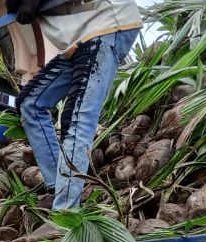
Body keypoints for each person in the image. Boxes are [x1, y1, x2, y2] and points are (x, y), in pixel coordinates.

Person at [10, 0, 142, 210]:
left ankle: (65, 211)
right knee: (30, 103)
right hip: (78, 40)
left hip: (105, 23)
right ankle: (58, 188)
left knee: (77, 119)